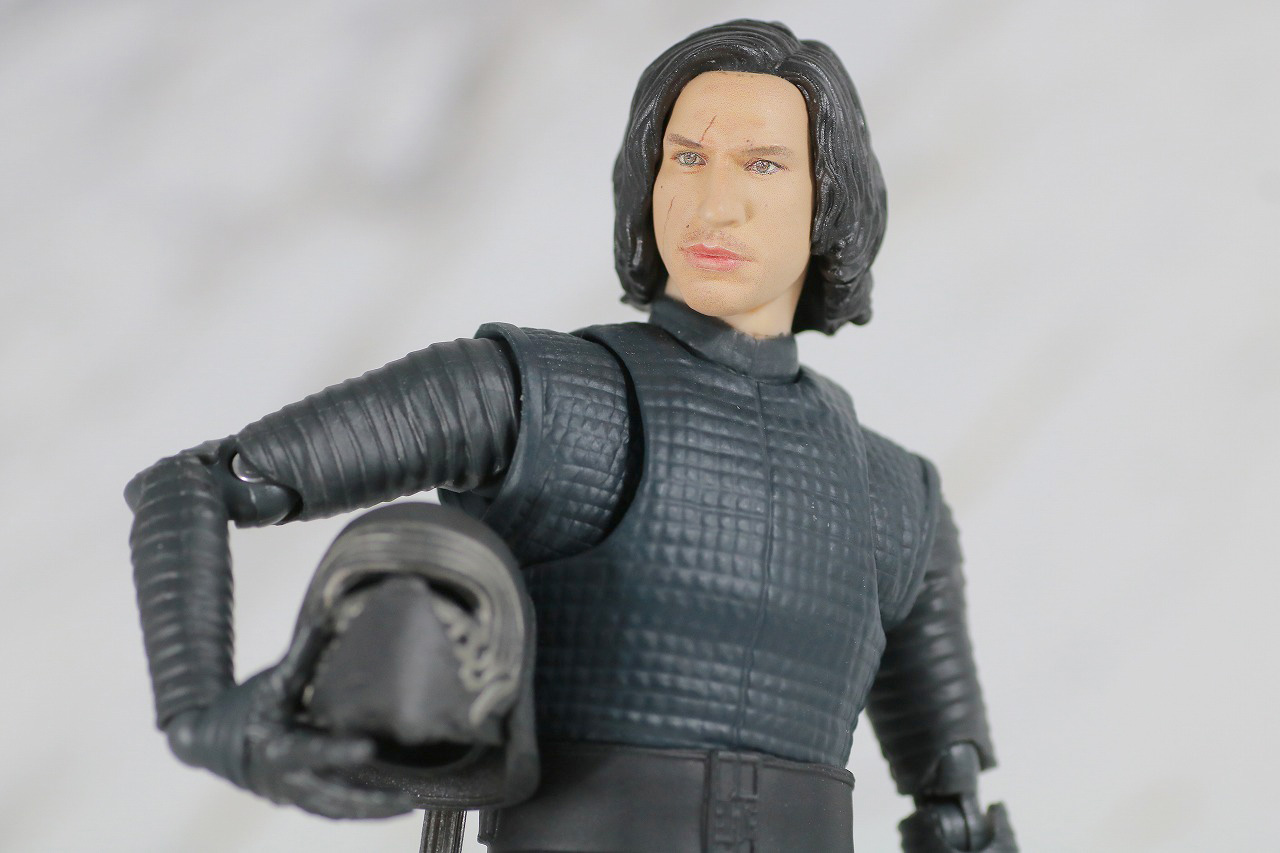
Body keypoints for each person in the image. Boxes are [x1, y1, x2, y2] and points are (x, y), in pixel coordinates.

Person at [127, 19, 1016, 853]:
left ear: (829, 198)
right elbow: (197, 481)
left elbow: (954, 806)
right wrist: (205, 716)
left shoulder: (896, 496)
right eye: (687, 157)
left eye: (763, 164)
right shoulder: (543, 399)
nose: (716, 203)